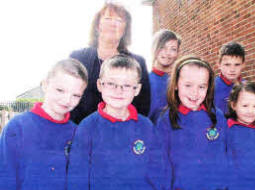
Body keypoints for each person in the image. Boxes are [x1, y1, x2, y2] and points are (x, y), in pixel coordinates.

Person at [67, 55, 167, 189]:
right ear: (100, 85)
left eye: (126, 85)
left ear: (136, 89)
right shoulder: (87, 127)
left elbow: (159, 171)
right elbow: (77, 176)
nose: (118, 91)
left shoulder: (146, 127)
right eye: (111, 84)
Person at [0, 59, 88, 190]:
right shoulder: (17, 127)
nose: (67, 99)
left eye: (76, 95)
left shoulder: (78, 134)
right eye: (60, 90)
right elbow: (6, 177)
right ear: (45, 84)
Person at [70, 2, 150, 124]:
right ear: (98, 25)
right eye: (108, 18)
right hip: (82, 131)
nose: (113, 24)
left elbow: (143, 106)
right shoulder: (78, 58)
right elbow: (69, 98)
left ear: (125, 29)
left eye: (119, 20)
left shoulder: (137, 62)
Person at [156, 55, 228, 190]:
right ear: (176, 84)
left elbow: (224, 156)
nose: (194, 92)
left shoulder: (217, 116)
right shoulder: (166, 120)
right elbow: (161, 165)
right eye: (188, 85)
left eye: (202, 86)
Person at [148, 29, 181, 124]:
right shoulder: (144, 81)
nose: (167, 53)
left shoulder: (179, 83)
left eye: (173, 49)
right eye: (162, 47)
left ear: (178, 53)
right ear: (154, 48)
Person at [214, 42, 245, 115]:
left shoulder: (248, 87)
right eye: (227, 64)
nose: (232, 69)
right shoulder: (211, 87)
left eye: (237, 64)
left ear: (243, 65)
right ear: (219, 65)